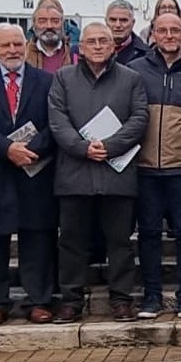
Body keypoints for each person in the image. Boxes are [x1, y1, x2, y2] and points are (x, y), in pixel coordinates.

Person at [48, 23, 149, 323]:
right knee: (72, 241)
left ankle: (121, 300)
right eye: (90, 41)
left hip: (116, 172)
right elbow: (57, 119)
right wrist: (81, 147)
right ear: (80, 46)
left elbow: (140, 116)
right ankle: (71, 300)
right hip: (74, 172)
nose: (97, 45)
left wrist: (110, 145)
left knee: (119, 241)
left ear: (113, 45)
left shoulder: (132, 79)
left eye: (103, 40)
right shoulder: (63, 78)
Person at [0, 23, 59, 326]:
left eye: (17, 44)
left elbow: (55, 122)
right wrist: (7, 149)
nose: (13, 51)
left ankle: (39, 300)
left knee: (37, 238)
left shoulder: (47, 81)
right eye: (6, 46)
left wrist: (32, 150)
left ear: (26, 45)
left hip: (35, 170)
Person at [127, 13, 181, 320]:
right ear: (154, 35)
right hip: (145, 168)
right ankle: (152, 296)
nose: (171, 35)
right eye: (164, 30)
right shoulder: (135, 71)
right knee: (148, 233)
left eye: (176, 30)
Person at [27, 0, 78, 73]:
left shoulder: (74, 54)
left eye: (55, 21)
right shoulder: (23, 54)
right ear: (34, 25)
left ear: (62, 25)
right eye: (42, 21)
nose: (49, 26)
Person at [106, 0, 150, 66]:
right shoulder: (92, 50)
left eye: (123, 20)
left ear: (133, 23)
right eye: (113, 20)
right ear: (106, 22)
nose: (118, 25)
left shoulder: (146, 55)